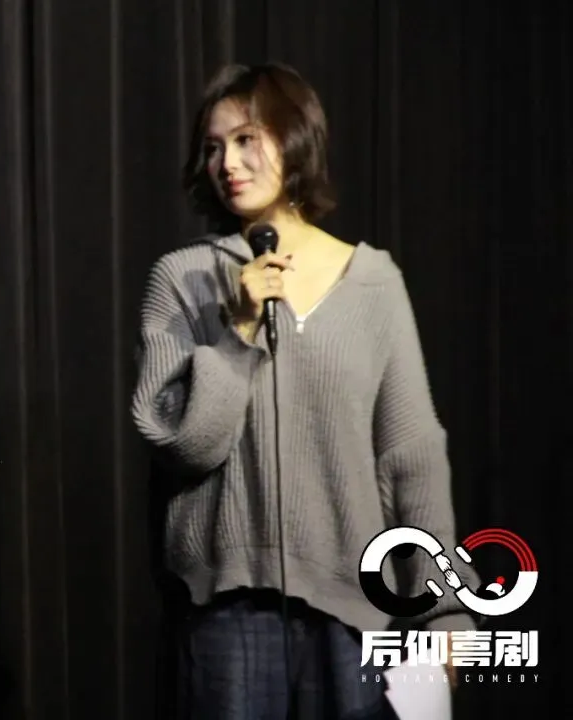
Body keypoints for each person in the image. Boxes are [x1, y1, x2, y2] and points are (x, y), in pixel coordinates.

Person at [131, 62, 478, 719]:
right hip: (226, 614)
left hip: (354, 611)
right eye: (214, 147)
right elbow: (181, 444)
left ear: (295, 141)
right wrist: (237, 332)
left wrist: (446, 606)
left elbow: (411, 457)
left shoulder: (373, 282)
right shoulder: (182, 279)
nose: (228, 163)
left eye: (247, 140)